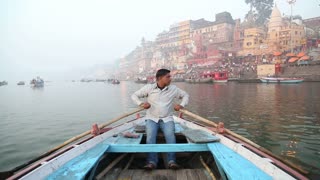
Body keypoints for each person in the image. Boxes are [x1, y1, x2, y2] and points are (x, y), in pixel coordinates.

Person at [131, 69, 189, 170]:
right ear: (159, 78)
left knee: (171, 136)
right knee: (150, 138)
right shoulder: (149, 88)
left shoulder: (173, 89)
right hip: (151, 118)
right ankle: (151, 162)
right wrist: (141, 104)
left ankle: (171, 161)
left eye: (170, 76)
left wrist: (181, 105)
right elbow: (134, 95)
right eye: (168, 77)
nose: (170, 79)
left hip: (167, 118)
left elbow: (185, 95)